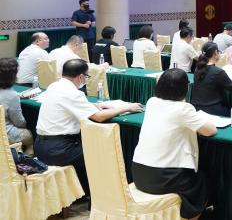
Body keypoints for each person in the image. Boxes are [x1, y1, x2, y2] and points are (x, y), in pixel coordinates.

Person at [35, 59, 142, 194]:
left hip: (40, 146)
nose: (85, 79)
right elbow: (98, 117)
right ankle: (101, 194)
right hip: (59, 150)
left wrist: (93, 106)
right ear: (80, 77)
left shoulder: (54, 86)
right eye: (86, 76)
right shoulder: (73, 93)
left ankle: (82, 191)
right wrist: (127, 107)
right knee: (103, 151)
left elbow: (69, 105)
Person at [132, 68, 216, 220]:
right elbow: (210, 130)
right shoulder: (183, 109)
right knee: (202, 180)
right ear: (185, 88)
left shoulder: (152, 102)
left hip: (139, 174)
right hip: (163, 178)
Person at [191, 42, 232, 117]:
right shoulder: (218, 72)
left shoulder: (197, 69)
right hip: (213, 109)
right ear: (215, 53)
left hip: (196, 108)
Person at [0, 58, 34, 154]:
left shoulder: (11, 95)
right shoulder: (12, 95)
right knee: (29, 135)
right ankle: (25, 159)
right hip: (4, 134)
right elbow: (19, 122)